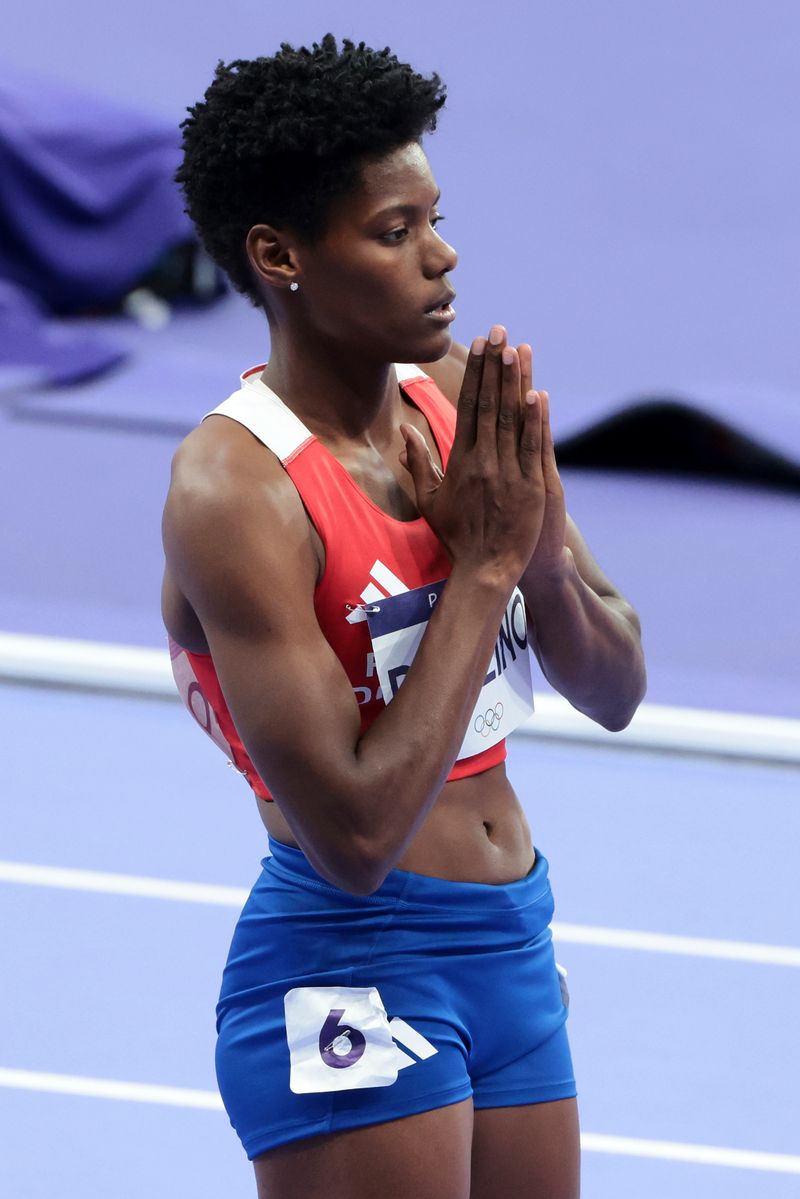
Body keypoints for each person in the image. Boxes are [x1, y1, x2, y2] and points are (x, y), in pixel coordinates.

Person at [162, 35, 646, 1199]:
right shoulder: (235, 492)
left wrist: (535, 556)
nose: (443, 256)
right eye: (394, 231)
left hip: (511, 940)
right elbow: (357, 834)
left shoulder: (453, 414)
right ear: (279, 256)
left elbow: (616, 688)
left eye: (433, 217)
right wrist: (479, 570)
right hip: (352, 956)